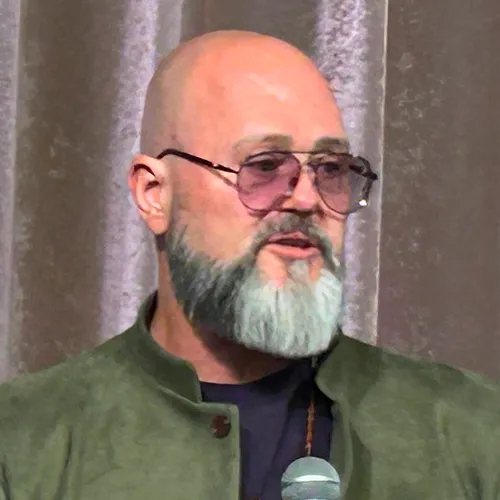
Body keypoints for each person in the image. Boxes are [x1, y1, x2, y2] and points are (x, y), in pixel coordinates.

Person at [0, 30, 499, 500]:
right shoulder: (22, 443)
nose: (307, 199)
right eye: (263, 166)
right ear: (154, 194)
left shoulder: (473, 431)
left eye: (329, 169)